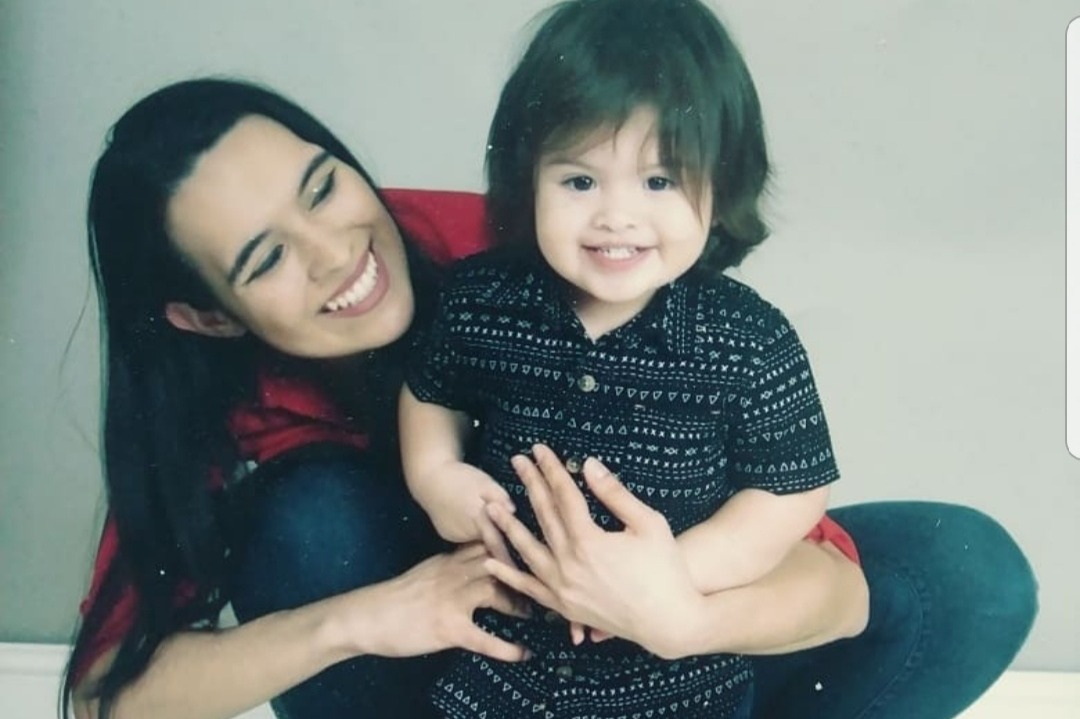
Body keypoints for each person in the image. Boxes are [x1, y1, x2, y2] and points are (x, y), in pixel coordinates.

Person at [60, 77, 1033, 719]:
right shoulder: (214, 413)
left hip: (663, 640)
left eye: (322, 188)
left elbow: (826, 581)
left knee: (967, 571)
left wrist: (678, 611)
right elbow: (107, 697)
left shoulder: (513, 249)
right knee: (308, 517)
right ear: (205, 315)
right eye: (265, 258)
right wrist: (370, 616)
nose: (336, 252)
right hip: (462, 676)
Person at [399, 0, 854, 716]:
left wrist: (679, 570)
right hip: (501, 659)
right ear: (527, 179)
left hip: (673, 678)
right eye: (579, 181)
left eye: (659, 181)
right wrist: (436, 477)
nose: (616, 216)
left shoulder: (749, 340)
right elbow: (432, 393)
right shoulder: (482, 299)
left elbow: (790, 490)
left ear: (721, 183)